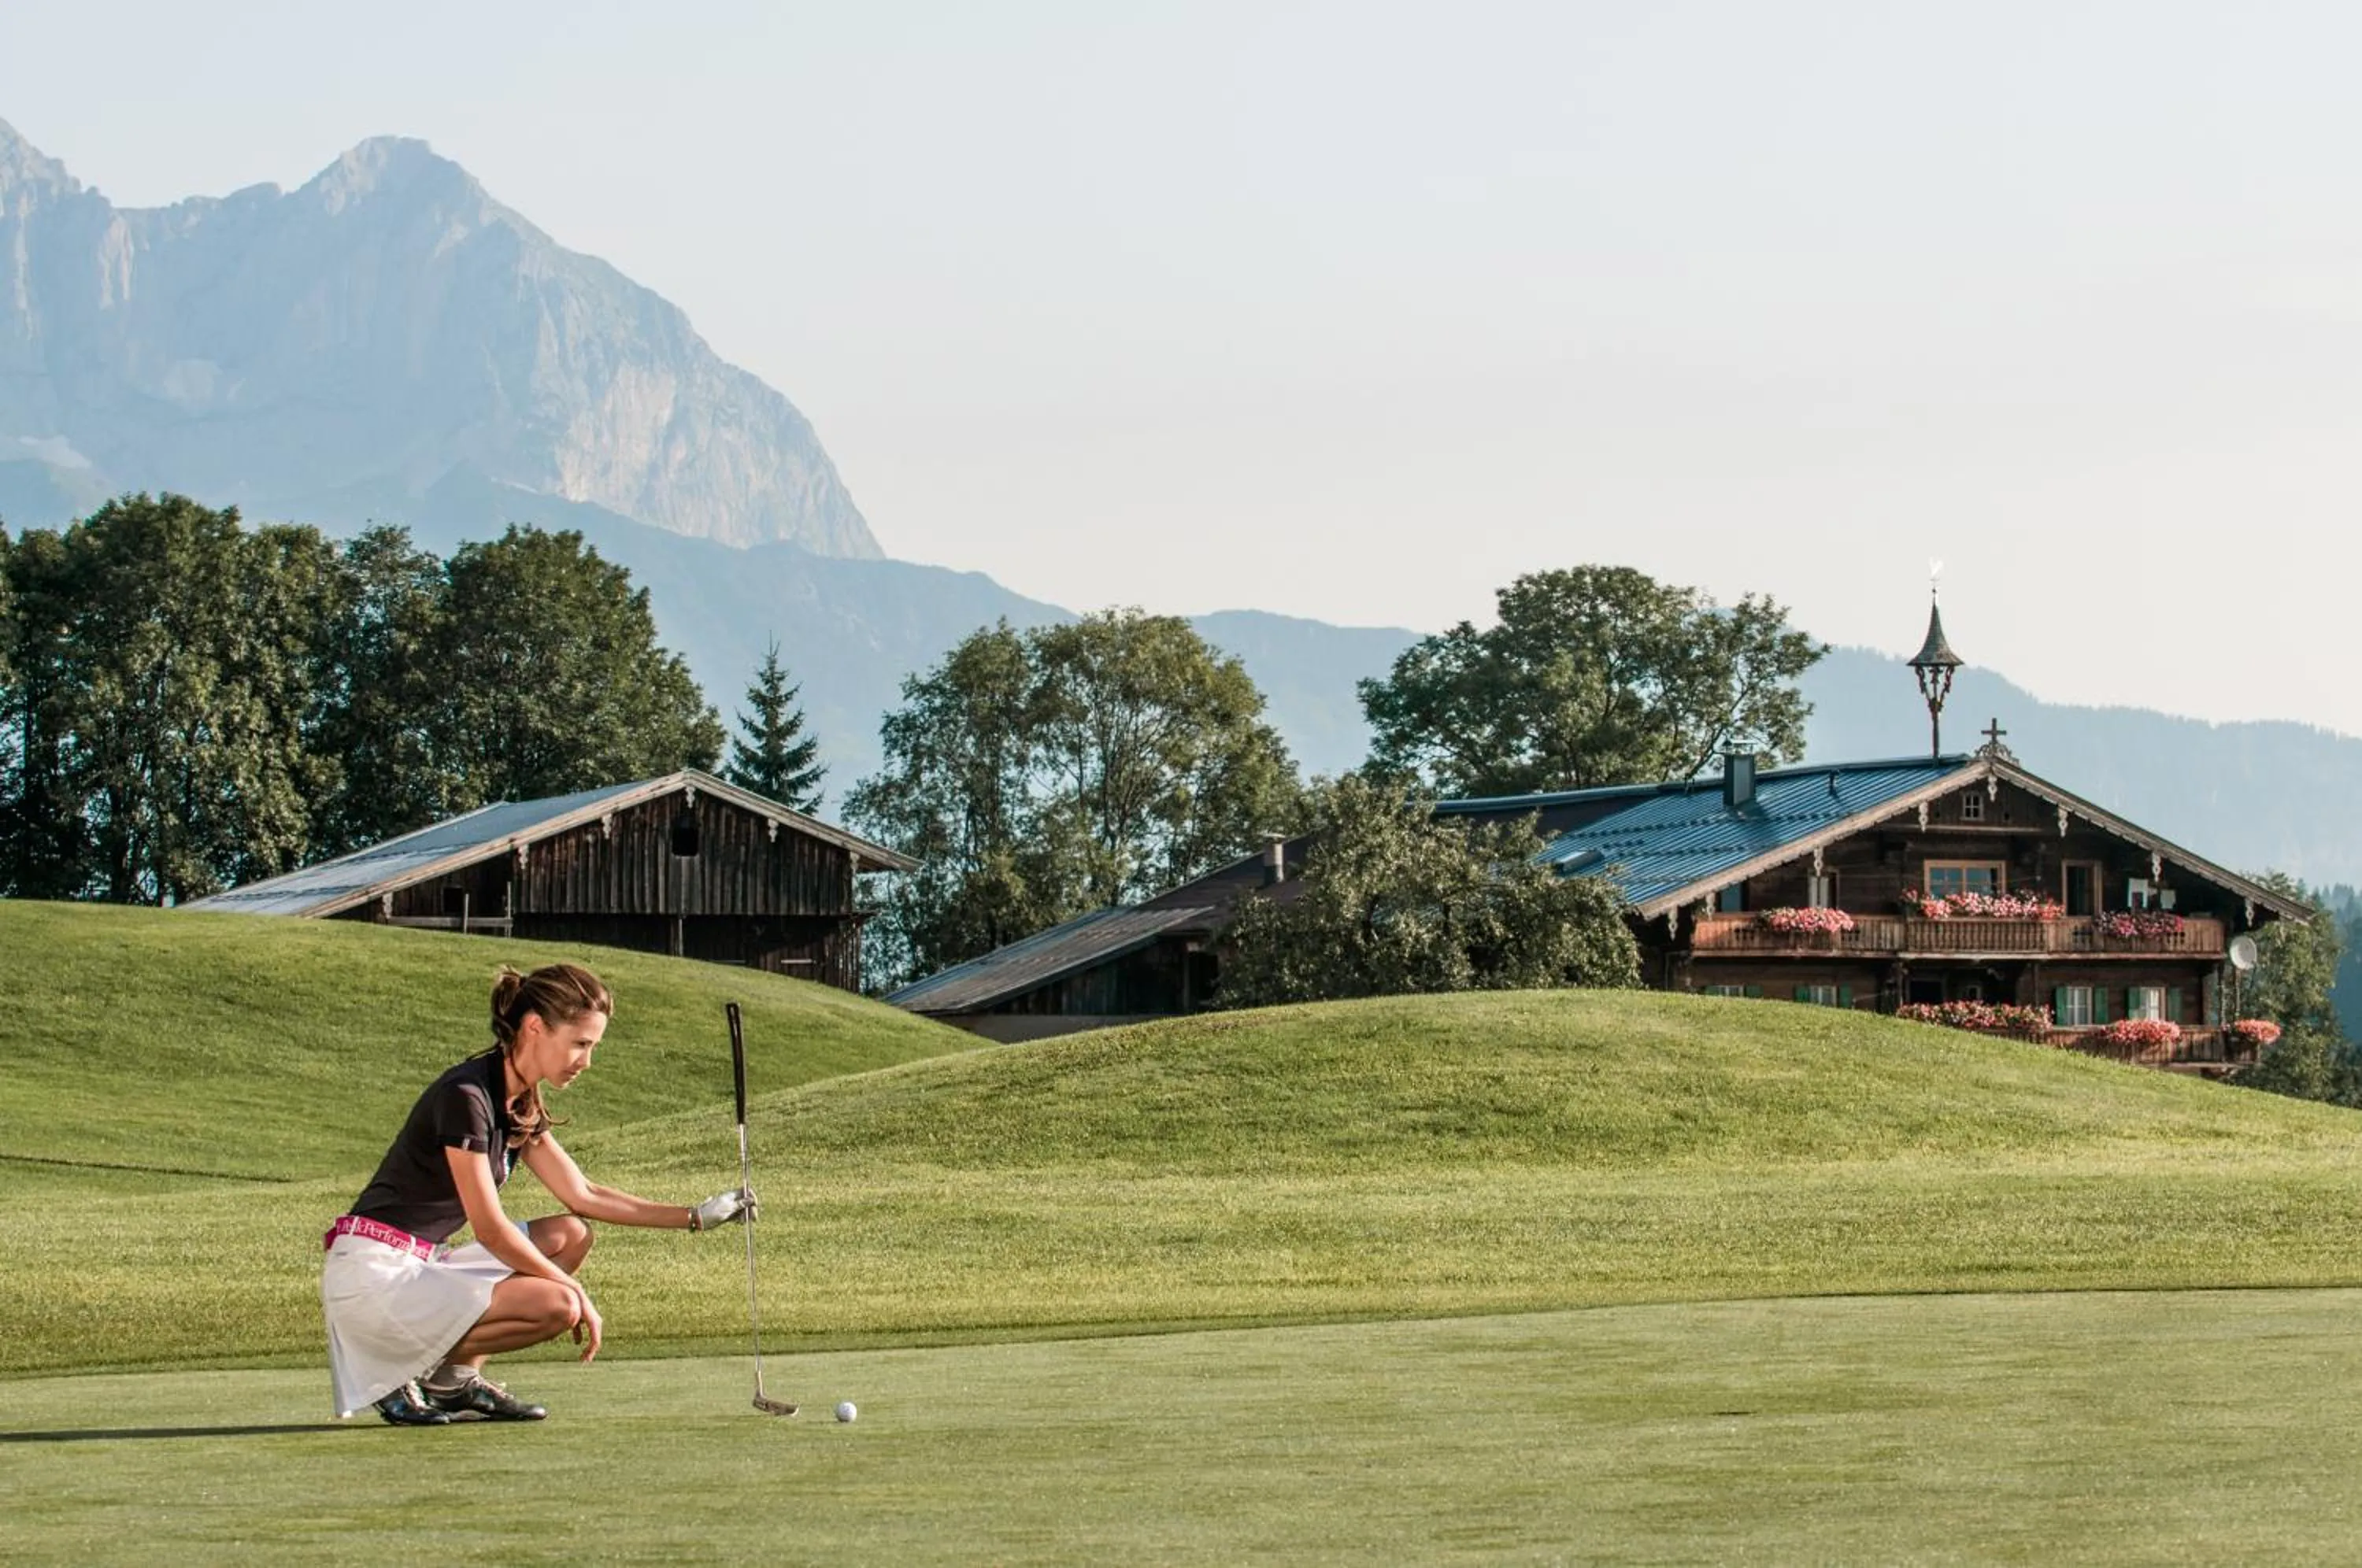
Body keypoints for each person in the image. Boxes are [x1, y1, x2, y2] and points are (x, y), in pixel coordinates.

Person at [321, 960, 756, 1425]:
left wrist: (696, 1216)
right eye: (580, 1044)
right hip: (375, 1280)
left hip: (422, 1267)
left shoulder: (517, 1099)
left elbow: (583, 1195)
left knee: (571, 1235)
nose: (586, 1062)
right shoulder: (466, 1096)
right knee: (559, 1306)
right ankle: (394, 1369)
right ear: (534, 1028)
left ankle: (451, 1381)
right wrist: (574, 1289)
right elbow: (490, 1229)